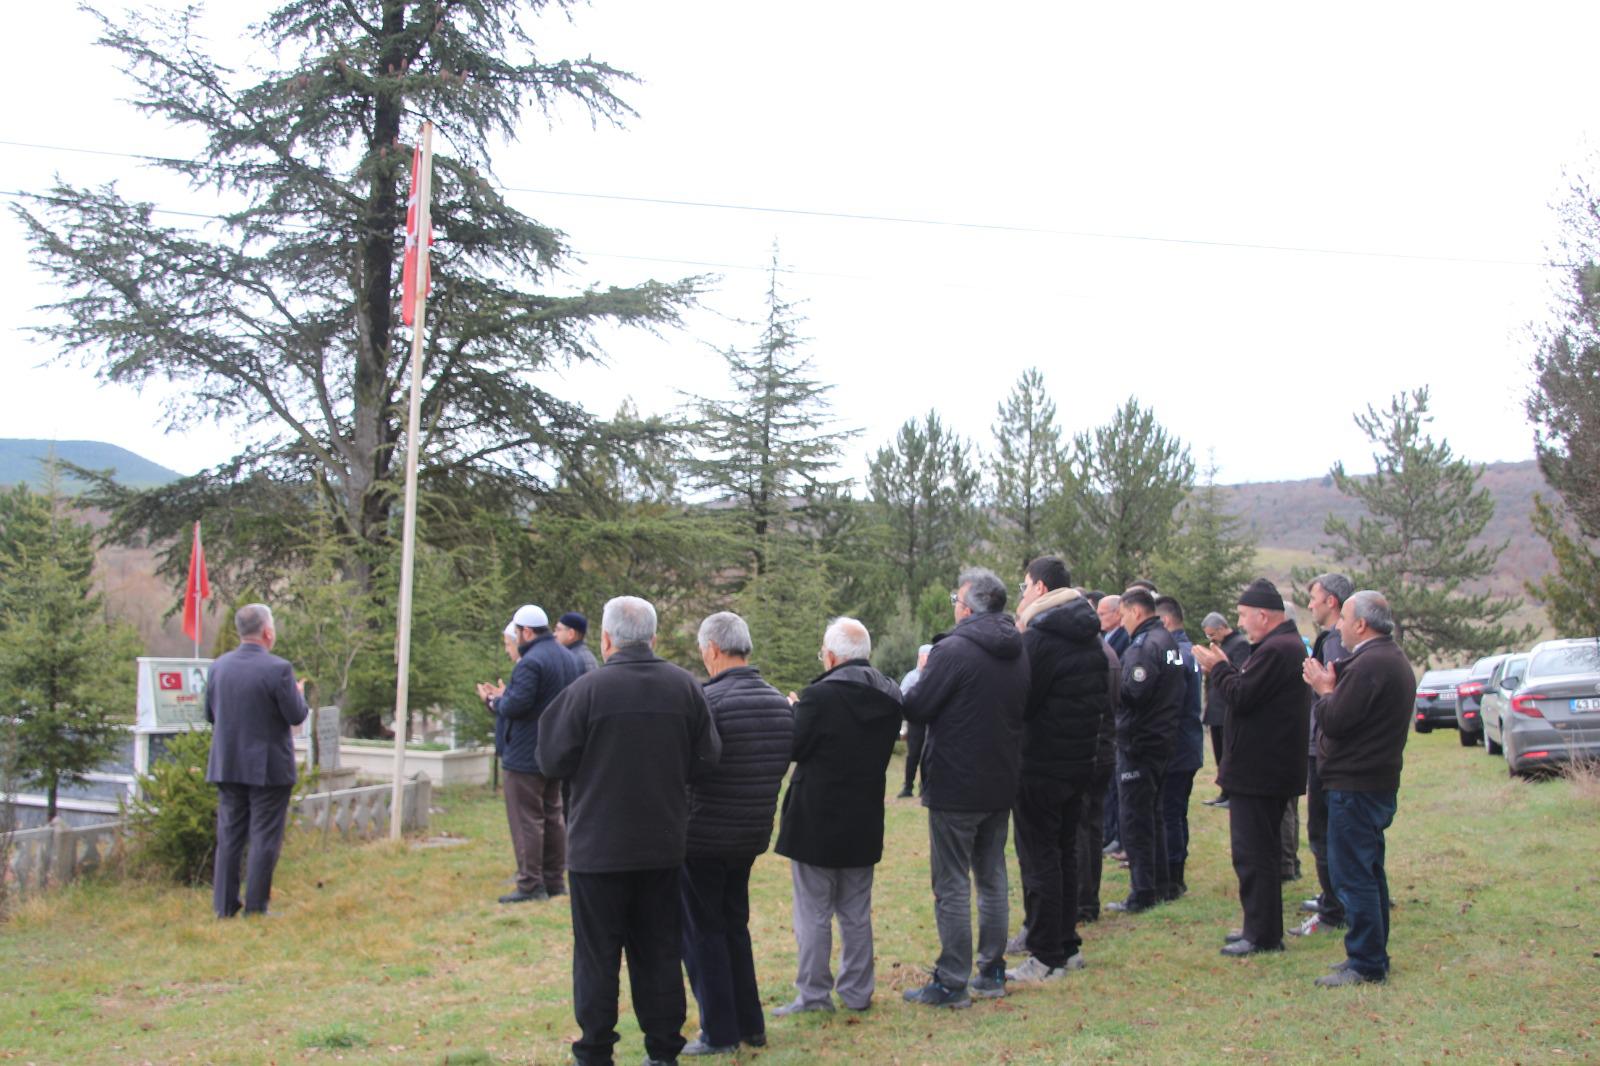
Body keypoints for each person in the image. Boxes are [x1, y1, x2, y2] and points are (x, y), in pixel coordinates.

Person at [538, 596, 722, 1066]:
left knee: (597, 955)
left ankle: (595, 1050)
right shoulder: (685, 688)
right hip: (661, 845)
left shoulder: (587, 691)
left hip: (596, 849)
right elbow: (707, 759)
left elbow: (550, 758)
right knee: (659, 951)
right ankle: (663, 1051)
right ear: (653, 639)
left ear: (605, 639)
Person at [902, 567, 1028, 1008]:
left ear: (970, 606)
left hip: (956, 784)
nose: (954, 607)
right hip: (1000, 779)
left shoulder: (952, 651)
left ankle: (952, 980)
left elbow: (917, 706)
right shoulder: (1017, 648)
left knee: (952, 883)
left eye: (956, 600)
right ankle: (991, 971)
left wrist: (921, 672)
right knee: (992, 876)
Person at [772, 617, 903, 1018]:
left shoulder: (818, 697)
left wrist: (794, 711)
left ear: (830, 656)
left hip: (816, 815)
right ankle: (858, 991)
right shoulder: (891, 697)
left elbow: (796, 747)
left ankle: (813, 994)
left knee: (813, 911)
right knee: (855, 910)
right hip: (863, 814)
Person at [680, 612, 793, 1055]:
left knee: (703, 931)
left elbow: (691, 768)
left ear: (712, 650)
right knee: (733, 926)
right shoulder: (776, 702)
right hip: (749, 833)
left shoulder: (708, 702)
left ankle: (720, 1031)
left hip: (704, 834)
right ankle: (751, 1023)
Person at [1193, 579, 1310, 958]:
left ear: (1263, 614)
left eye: (1243, 616)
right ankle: (1259, 926)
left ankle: (1262, 935)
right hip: (1265, 767)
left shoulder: (1277, 650)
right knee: (1258, 851)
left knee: (1254, 853)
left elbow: (1242, 696)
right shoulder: (1279, 647)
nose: (1240, 624)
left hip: (1262, 770)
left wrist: (1219, 669)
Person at [1302, 590, 1412, 986]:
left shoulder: (1371, 664)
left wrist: (1323, 689)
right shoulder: (1387, 658)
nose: (1339, 626)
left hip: (1357, 783)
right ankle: (1372, 954)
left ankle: (1365, 961)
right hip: (1371, 780)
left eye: (1344, 619)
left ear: (1361, 624)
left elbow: (1337, 720)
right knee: (1368, 869)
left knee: (1354, 874)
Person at [1007, 556, 1107, 982]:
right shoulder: (1088, 637)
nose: (1023, 594)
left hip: (1041, 764)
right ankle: (1066, 945)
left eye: (1026, 586)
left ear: (1042, 589)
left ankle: (1046, 954)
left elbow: (1022, 700)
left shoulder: (1042, 639)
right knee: (1064, 852)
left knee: (1040, 857)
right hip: (1078, 760)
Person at [204, 602, 310, 918]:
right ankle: (256, 906)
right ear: (267, 632)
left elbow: (210, 714)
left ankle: (223, 907)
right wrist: (298, 693)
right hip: (268, 768)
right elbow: (296, 714)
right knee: (264, 836)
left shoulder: (218, 667)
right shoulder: (278, 669)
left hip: (227, 762)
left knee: (230, 836)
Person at [476, 603, 582, 904]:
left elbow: (516, 706)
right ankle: (554, 880)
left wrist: (493, 701)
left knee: (527, 819)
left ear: (525, 631)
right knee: (552, 815)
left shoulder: (530, 662)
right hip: (555, 749)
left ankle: (530, 883)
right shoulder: (566, 657)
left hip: (525, 752)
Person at [1106, 587, 1184, 914]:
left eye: (1122, 614)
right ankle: (1162, 883)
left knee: (1136, 819)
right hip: (1163, 739)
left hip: (1140, 742)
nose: (1121, 622)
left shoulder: (1143, 647)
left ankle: (1142, 891)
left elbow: (1132, 693)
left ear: (1136, 612)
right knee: (1154, 815)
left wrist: (1111, 689)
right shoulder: (1167, 640)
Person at [1294, 573, 1353, 936]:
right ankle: (1337, 896)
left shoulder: (1334, 644)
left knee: (1324, 830)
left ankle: (1334, 908)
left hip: (1326, 750)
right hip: (1327, 746)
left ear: (1332, 601)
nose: (1310, 604)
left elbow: (1332, 694)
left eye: (1314, 598)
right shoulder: (1335, 641)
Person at [1154, 595, 1203, 900]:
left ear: (1165, 622)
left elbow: (1169, 697)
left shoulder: (1175, 654)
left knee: (1170, 813)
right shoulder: (1187, 650)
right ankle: (1174, 874)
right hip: (1187, 744)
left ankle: (1173, 878)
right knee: (1175, 813)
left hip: (1176, 746)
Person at [1200, 612, 1249, 807]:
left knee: (1230, 754)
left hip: (1227, 709)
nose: (1210, 639)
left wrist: (1217, 667)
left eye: (1212, 634)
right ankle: (1224, 791)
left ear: (1222, 628)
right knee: (1220, 754)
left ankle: (1232, 793)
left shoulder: (1239, 644)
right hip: (1216, 709)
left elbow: (1237, 672)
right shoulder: (1222, 645)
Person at [897, 644, 933, 798]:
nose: (926, 659)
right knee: (913, 755)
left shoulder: (936, 675)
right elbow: (902, 696)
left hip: (931, 722)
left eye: (929, 656)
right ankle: (908, 787)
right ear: (919, 657)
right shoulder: (911, 677)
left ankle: (925, 788)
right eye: (923, 656)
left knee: (928, 756)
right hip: (915, 722)